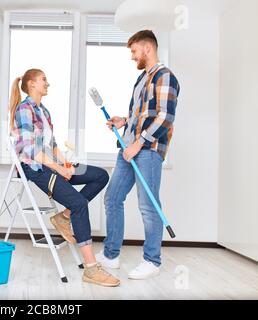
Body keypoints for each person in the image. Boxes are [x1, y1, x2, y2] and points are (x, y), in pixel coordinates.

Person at [10, 68, 120, 287]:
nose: (47, 83)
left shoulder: (44, 111)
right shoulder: (24, 109)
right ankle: (91, 269)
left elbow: (52, 145)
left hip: (51, 165)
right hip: (36, 168)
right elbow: (29, 148)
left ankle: (63, 217)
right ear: (31, 84)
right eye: (43, 80)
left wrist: (65, 164)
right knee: (80, 203)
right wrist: (58, 169)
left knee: (100, 176)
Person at [97, 30, 180, 280]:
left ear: (147, 48)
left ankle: (152, 261)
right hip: (129, 147)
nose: (133, 57)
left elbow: (166, 117)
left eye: (134, 51)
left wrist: (140, 141)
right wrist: (124, 121)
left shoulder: (165, 76)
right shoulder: (142, 79)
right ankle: (111, 255)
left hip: (148, 151)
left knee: (147, 205)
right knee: (112, 198)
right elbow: (142, 115)